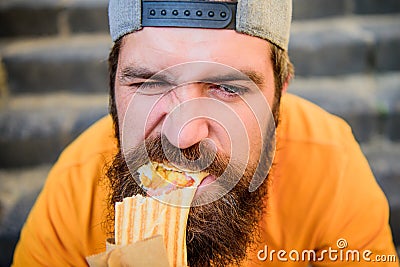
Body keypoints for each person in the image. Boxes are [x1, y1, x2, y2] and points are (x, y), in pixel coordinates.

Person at [12, 0, 398, 266]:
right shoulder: (76, 185)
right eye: (148, 82)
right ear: (112, 91)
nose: (183, 136)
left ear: (280, 96)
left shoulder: (331, 171)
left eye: (227, 88)